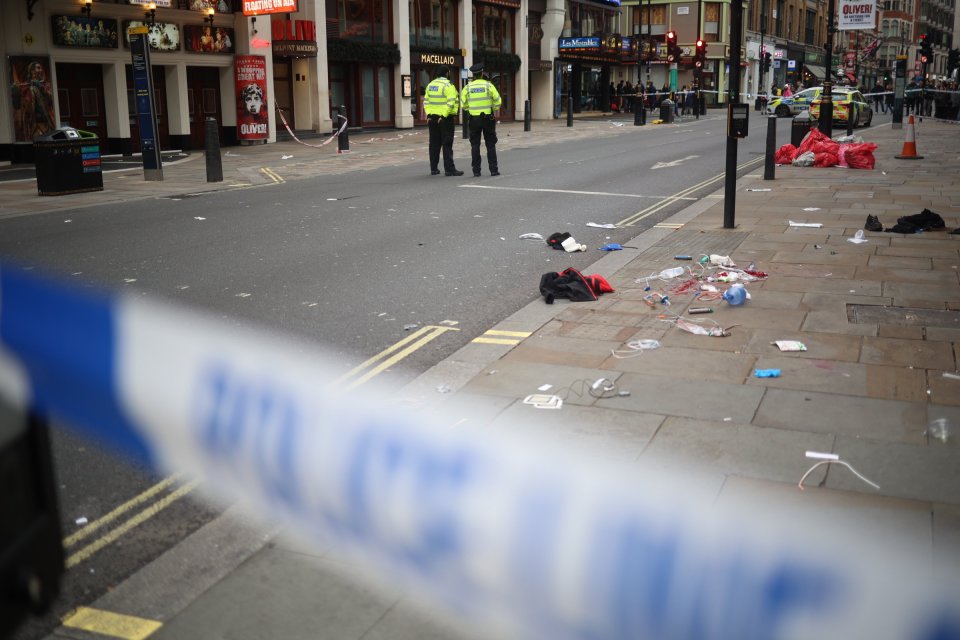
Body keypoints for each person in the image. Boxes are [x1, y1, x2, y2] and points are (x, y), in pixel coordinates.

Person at [461, 63, 502, 177]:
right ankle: (493, 170)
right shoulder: (489, 86)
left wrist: (471, 110)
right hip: (487, 118)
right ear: (482, 73)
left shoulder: (468, 87)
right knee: (490, 145)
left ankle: (476, 171)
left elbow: (463, 104)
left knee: (475, 145)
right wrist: (492, 108)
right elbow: (498, 101)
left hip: (474, 119)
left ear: (473, 75)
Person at [423, 66, 463, 176]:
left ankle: (434, 169)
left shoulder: (430, 85)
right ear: (446, 74)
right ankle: (449, 169)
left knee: (434, 144)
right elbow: (450, 103)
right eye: (449, 73)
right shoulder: (448, 85)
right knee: (447, 143)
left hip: (432, 118)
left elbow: (426, 102)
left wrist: (429, 115)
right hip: (445, 119)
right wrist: (444, 116)